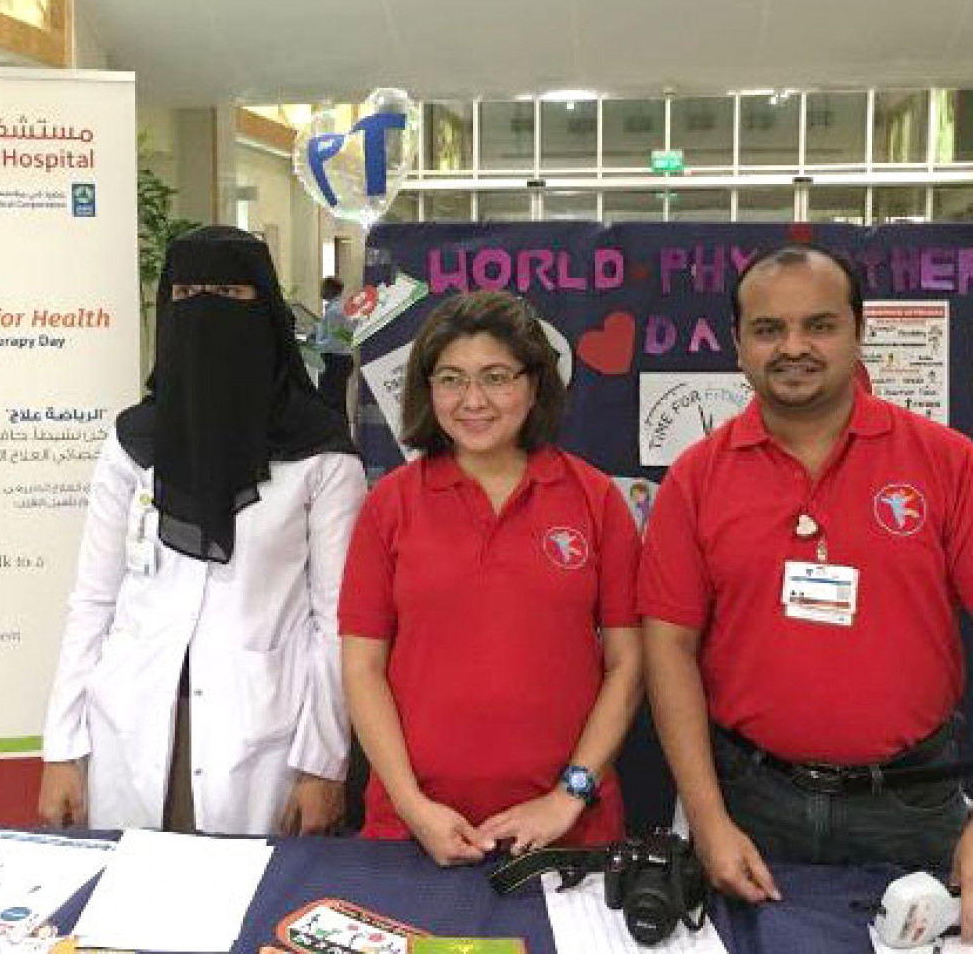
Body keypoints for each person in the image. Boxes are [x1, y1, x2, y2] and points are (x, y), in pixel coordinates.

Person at [638, 243, 973, 934]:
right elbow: (668, 647)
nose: (794, 347)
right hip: (750, 804)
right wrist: (706, 820)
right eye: (768, 330)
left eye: (819, 325)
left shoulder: (946, 463)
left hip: (912, 805)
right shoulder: (696, 480)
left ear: (857, 331)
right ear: (737, 344)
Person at [38, 226, 367, 836]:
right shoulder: (133, 442)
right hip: (130, 724)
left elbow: (337, 625)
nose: (203, 308)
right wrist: (62, 747)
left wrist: (323, 764)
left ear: (263, 308)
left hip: (262, 734)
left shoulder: (320, 455)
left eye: (225, 292)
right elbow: (93, 601)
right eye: (187, 292)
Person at [338, 291, 643, 866]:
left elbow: (629, 665)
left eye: (496, 377)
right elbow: (362, 667)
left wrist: (568, 796)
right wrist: (411, 805)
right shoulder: (389, 506)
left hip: (567, 832)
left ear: (534, 383)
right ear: (427, 389)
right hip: (412, 831)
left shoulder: (595, 499)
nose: (472, 401)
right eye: (450, 379)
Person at [315, 275, 355, 419]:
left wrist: (316, 346)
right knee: (338, 402)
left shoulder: (333, 312)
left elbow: (334, 342)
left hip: (335, 361)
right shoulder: (343, 308)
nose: (320, 291)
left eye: (322, 288)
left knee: (329, 402)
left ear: (329, 290)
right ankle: (340, 434)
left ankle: (332, 435)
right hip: (343, 359)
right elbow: (344, 337)